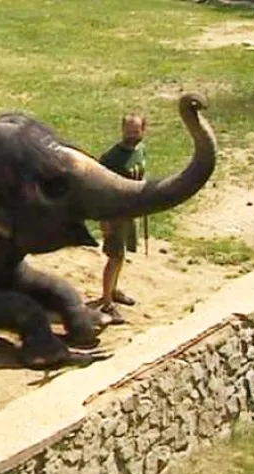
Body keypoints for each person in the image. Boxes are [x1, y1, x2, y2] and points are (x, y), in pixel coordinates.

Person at [94, 112, 148, 325]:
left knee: (121, 254)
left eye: (135, 131)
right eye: (128, 131)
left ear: (144, 130)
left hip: (129, 213)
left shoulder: (140, 150)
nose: (131, 135)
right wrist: (104, 221)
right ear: (122, 130)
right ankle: (107, 303)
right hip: (115, 214)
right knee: (114, 257)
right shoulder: (111, 158)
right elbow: (100, 190)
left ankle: (114, 290)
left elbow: (141, 175)